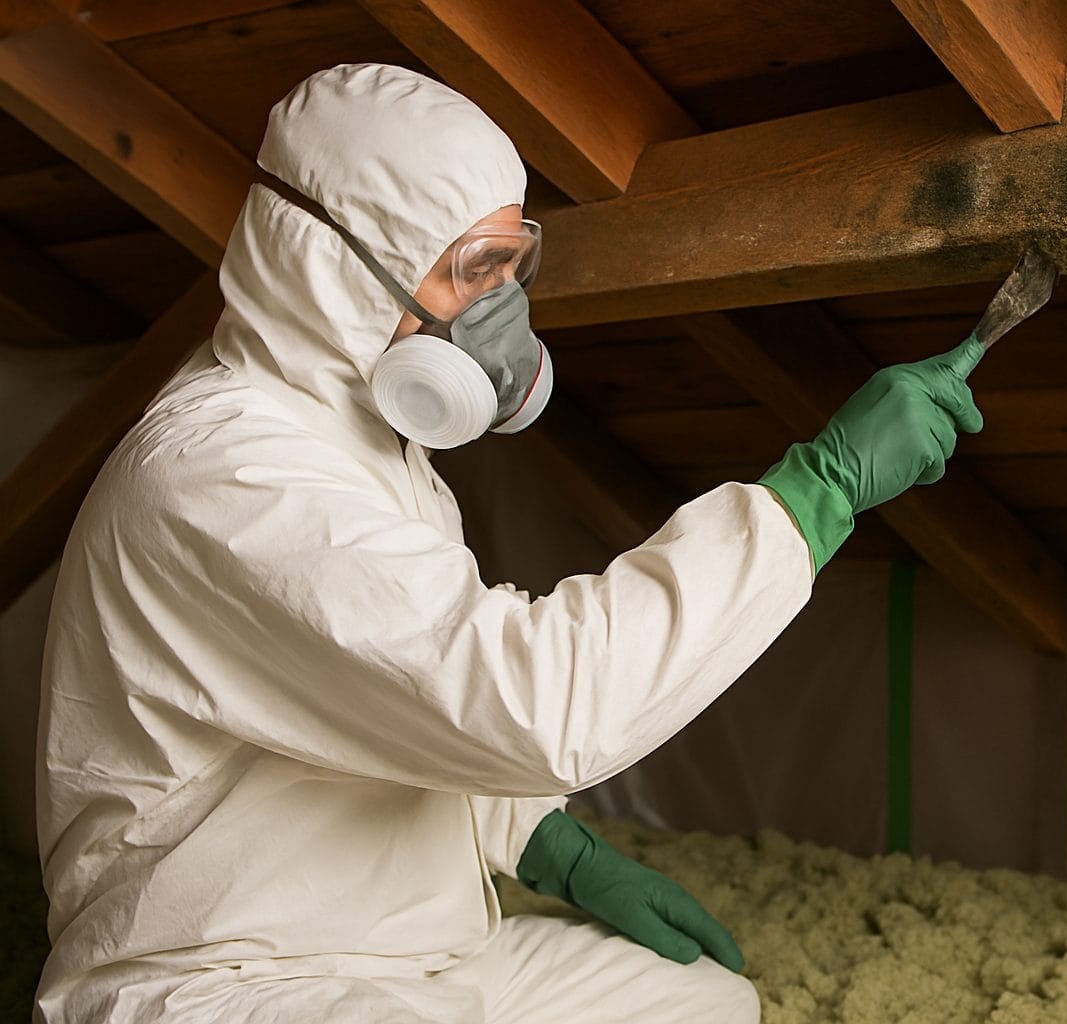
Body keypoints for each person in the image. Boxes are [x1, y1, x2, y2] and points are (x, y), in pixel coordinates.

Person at [33, 64, 985, 1024]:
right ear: (332, 270)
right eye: (467, 269)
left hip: (425, 962)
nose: (499, 310)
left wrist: (545, 846)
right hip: (227, 978)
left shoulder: (374, 451)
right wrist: (812, 494)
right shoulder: (225, 475)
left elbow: (412, 707)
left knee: (704, 1004)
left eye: (508, 264)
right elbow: (528, 703)